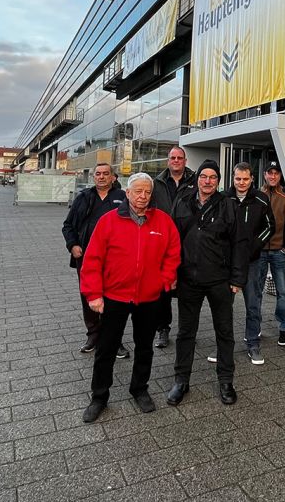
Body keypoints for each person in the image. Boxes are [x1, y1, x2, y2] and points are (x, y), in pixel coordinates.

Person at [78, 173, 181, 423]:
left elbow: (173, 253)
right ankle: (99, 396)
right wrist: (94, 294)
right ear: (127, 193)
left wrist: (163, 280)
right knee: (106, 348)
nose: (143, 196)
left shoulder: (163, 222)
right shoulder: (108, 221)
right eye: (138, 191)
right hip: (114, 296)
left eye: (147, 192)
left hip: (148, 297)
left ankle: (139, 389)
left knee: (144, 347)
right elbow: (92, 260)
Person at [166, 159, 249, 407]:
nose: (208, 181)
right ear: (198, 178)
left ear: (218, 182)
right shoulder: (183, 201)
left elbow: (239, 244)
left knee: (224, 332)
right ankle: (181, 380)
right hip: (188, 280)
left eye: (213, 177)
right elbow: (171, 241)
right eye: (204, 176)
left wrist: (237, 278)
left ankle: (226, 380)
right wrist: (171, 274)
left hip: (220, 281)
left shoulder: (228, 205)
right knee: (185, 333)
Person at [62, 163, 128, 358]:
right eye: (97, 174)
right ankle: (93, 335)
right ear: (93, 177)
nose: (101, 177)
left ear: (113, 177)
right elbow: (67, 226)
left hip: (114, 260)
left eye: (105, 174)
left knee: (113, 300)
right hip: (87, 258)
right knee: (88, 297)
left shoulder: (122, 198)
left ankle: (114, 340)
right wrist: (73, 245)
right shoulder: (83, 198)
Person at [151, 147, 196, 349]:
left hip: (189, 242)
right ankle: (163, 328)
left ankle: (186, 330)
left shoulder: (195, 180)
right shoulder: (156, 183)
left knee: (188, 290)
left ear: (185, 160)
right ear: (168, 161)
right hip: (162, 244)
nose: (176, 161)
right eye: (173, 158)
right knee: (163, 290)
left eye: (180, 158)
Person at [231, 162, 276, 366]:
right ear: (233, 178)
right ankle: (224, 344)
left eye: (245, 179)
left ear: (251, 179)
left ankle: (253, 343)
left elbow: (270, 226)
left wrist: (254, 247)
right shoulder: (224, 199)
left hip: (252, 261)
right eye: (238, 178)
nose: (241, 182)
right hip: (228, 262)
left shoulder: (261, 198)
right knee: (224, 306)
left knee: (253, 303)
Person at [258, 161, 285, 347]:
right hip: (259, 251)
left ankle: (284, 328)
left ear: (280, 176)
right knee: (255, 291)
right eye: (269, 173)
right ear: (265, 174)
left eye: (276, 173)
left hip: (278, 251)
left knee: (282, 291)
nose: (272, 176)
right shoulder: (257, 194)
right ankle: (254, 326)